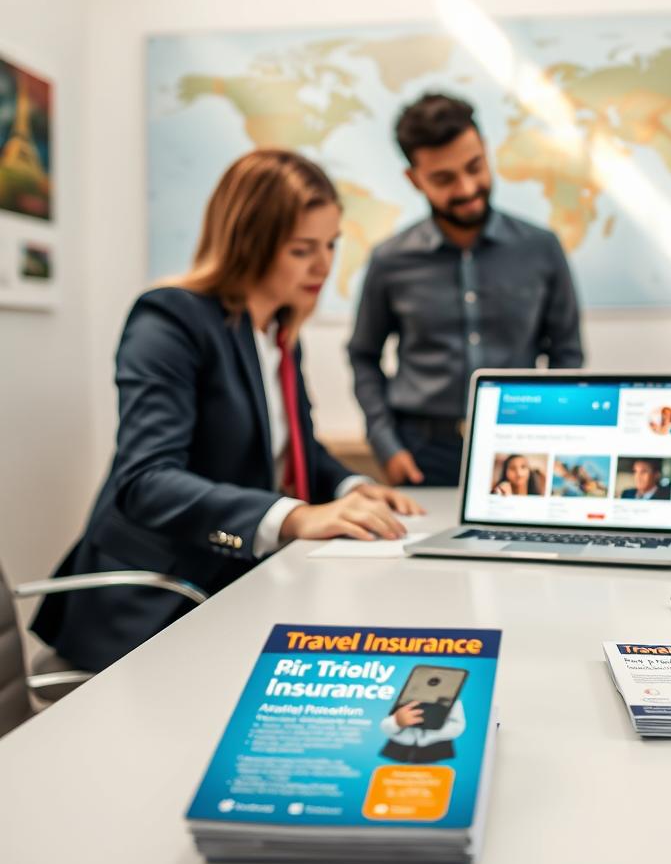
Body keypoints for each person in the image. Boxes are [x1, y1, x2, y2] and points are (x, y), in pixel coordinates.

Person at [32, 151, 422, 672]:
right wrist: (297, 516)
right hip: (155, 604)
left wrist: (351, 487)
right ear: (250, 242)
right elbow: (146, 480)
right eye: (302, 249)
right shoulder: (170, 319)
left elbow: (297, 449)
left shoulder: (277, 332)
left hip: (233, 583)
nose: (324, 266)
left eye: (330, 245)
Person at [348, 93, 584, 487]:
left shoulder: (541, 249)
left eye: (475, 166)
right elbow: (363, 355)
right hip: (421, 452)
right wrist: (386, 443)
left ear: (486, 152)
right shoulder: (390, 260)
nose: (468, 187)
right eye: (444, 178)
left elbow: (566, 353)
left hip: (518, 447)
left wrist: (548, 435)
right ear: (414, 179)